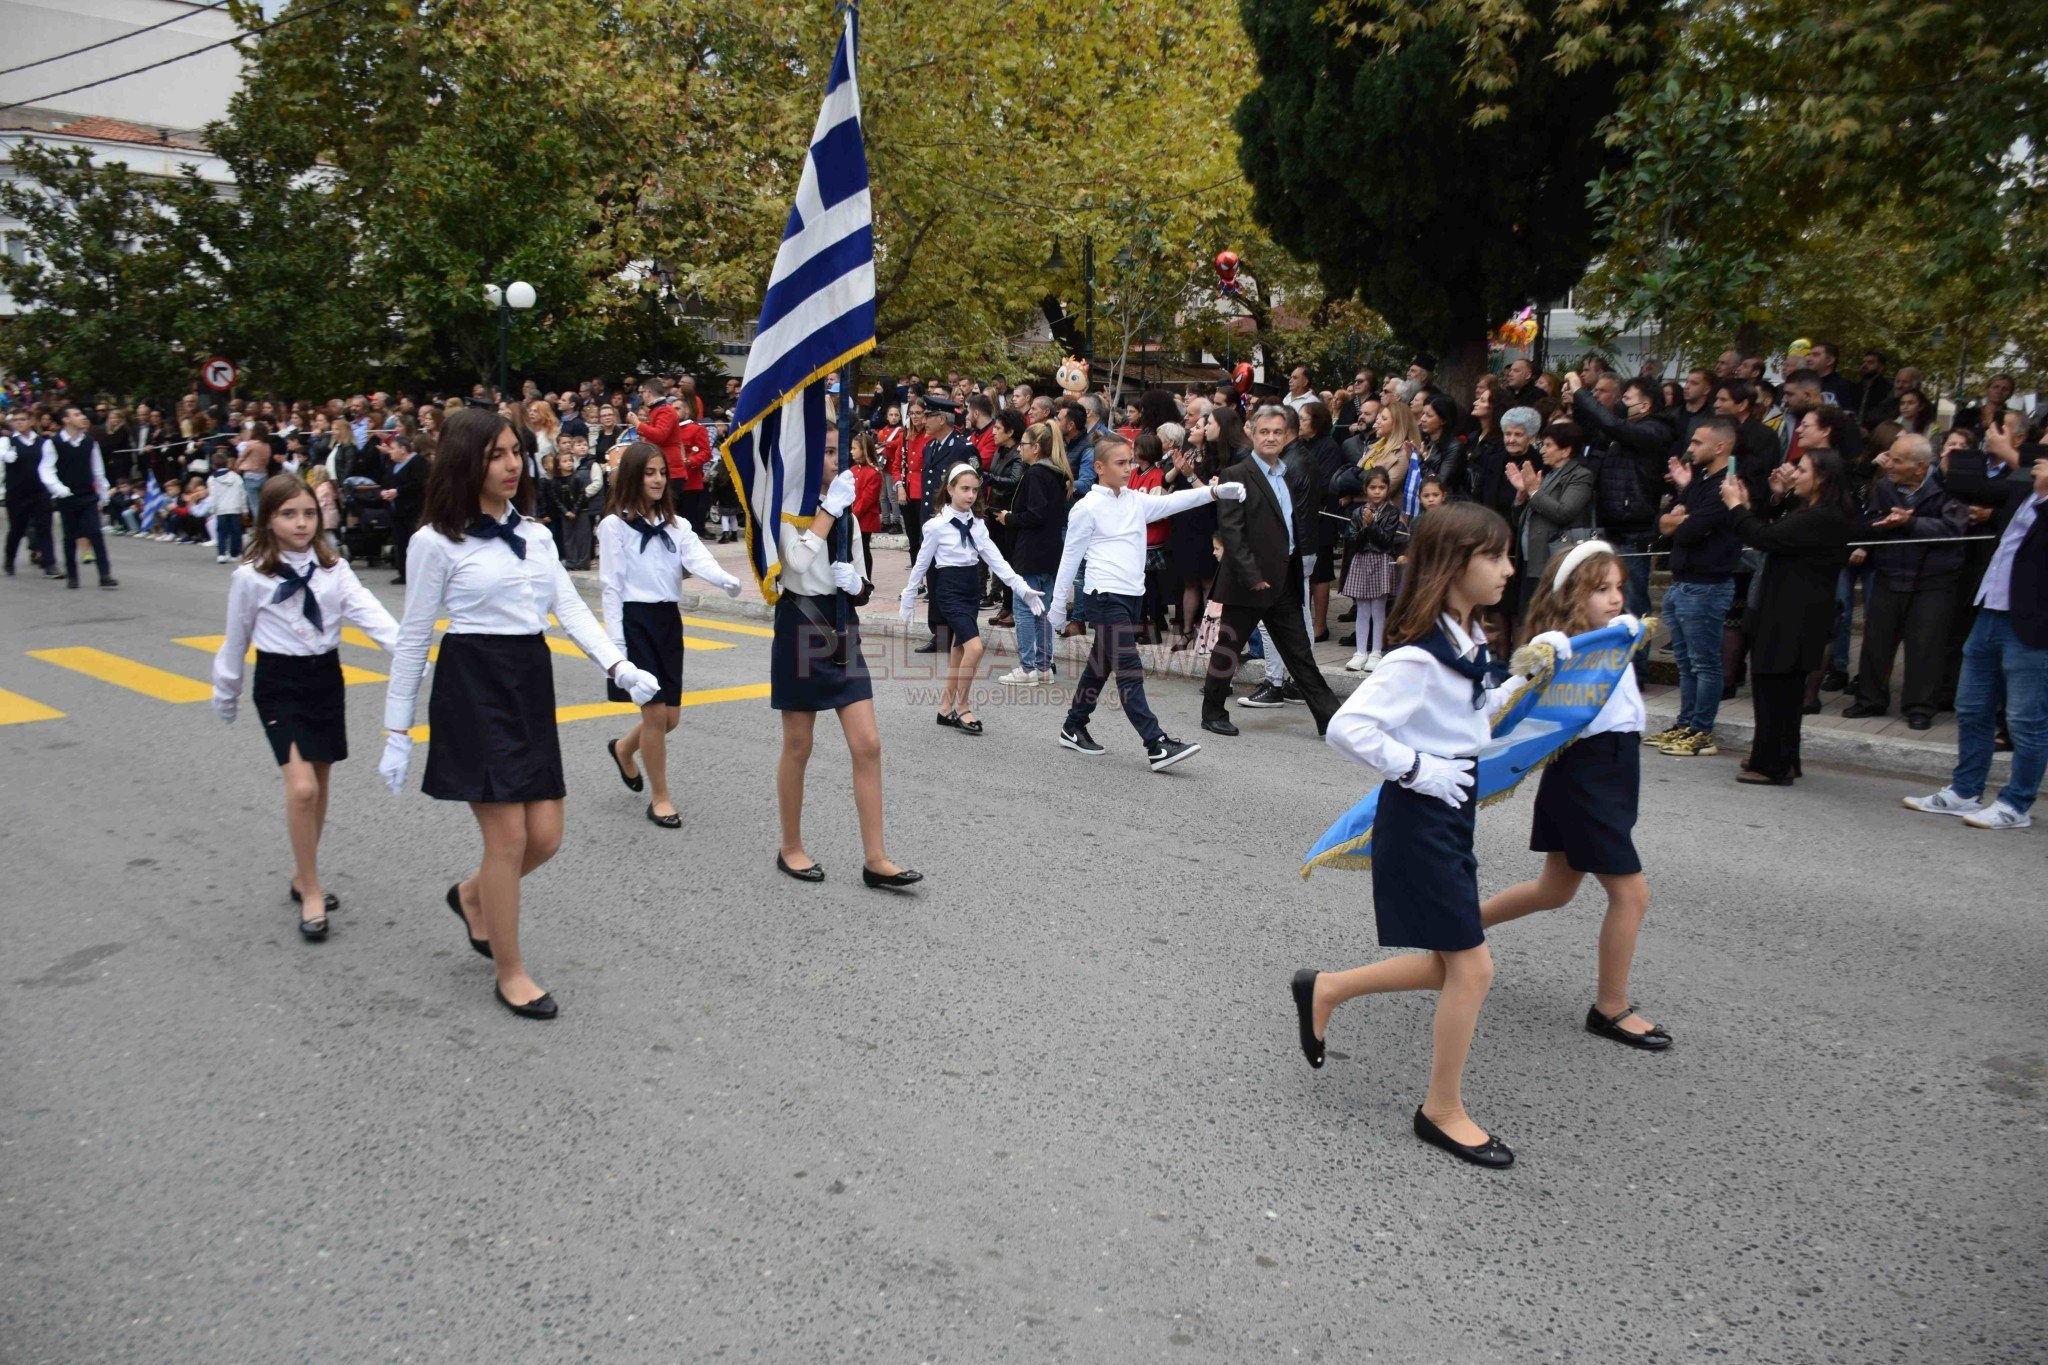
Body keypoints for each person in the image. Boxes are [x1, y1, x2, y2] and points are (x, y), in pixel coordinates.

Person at [1294, 501, 1571, 1168]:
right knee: (1473, 966)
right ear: (1454, 564)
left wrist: (1528, 675)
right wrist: (1417, 768)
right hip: (1421, 821)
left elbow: (1476, 724)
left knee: (1451, 964)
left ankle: (1325, 987)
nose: (1510, 568)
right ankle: (1440, 1109)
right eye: (1496, 555)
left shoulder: (1467, 640)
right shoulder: (1419, 657)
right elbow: (1347, 728)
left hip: (1451, 812)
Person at [377, 408, 662, 1021]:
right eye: (496, 455)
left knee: (546, 838)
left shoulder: (534, 534)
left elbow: (570, 608)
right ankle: (510, 970)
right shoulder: (434, 542)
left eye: (514, 452)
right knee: (506, 839)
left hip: (528, 682)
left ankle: (473, 895)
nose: (511, 465)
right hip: (472, 683)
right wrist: (397, 727)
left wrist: (620, 667)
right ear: (466, 463)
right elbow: (413, 636)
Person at [1478, 541, 1666, 1046]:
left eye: (1619, 589)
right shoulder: (1557, 649)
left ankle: (1459, 929)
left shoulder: (1605, 640)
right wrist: (1543, 660)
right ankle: (1610, 1007)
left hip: (1614, 769)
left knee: (1554, 891)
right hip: (1587, 777)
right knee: (1631, 894)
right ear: (1570, 596)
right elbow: (1513, 704)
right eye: (1601, 589)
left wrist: (1622, 637)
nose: (1615, 599)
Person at [211, 475, 400, 940]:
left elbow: (369, 612)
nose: (300, 523)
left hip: (324, 680)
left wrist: (410, 654)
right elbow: (236, 639)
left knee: (318, 782)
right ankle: (311, 889)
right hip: (279, 683)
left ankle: (302, 872)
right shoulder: (251, 576)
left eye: (309, 513)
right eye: (288, 514)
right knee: (300, 789)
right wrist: (227, 692)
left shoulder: (334, 568)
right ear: (268, 519)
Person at [770, 427, 921, 889]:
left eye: (840, 450)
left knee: (868, 743)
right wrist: (827, 513)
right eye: (827, 450)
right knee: (799, 745)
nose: (837, 459)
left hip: (841, 630)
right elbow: (794, 562)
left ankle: (875, 858)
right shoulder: (783, 508)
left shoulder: (848, 516)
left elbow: (861, 580)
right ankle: (790, 847)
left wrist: (856, 583)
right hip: (800, 628)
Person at [1050, 432, 1239, 771]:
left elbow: (1174, 503)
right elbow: (1069, 557)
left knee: (1100, 666)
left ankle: (1073, 725)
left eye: (1130, 462)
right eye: (1120, 463)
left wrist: (1214, 492)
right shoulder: (1086, 508)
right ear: (1099, 467)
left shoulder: (1135, 501)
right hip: (1104, 596)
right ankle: (1156, 743)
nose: (1128, 468)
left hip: (1131, 596)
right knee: (1129, 669)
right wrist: (1056, 607)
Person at [1904, 429, 2048, 830]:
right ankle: (1965, 790)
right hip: (1990, 611)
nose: (2038, 455)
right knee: (1972, 708)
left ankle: (2016, 804)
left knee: (2026, 720)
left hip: (2033, 625)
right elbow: (1971, 487)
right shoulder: (2026, 490)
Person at [597, 443, 744, 828]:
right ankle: (660, 798)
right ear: (632, 477)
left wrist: (725, 579)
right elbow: (610, 587)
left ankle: (624, 749)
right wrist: (616, 644)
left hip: (667, 622)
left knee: (670, 718)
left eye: (662, 471)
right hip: (634, 622)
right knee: (655, 712)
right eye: (649, 473)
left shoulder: (677, 527)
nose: (658, 479)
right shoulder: (614, 527)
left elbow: (697, 558)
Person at [1200, 406, 1341, 737]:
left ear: (1286, 435)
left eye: (1277, 432)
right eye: (1264, 432)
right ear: (1252, 432)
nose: (1271, 438)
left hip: (1283, 580)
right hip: (1247, 582)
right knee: (1228, 649)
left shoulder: (1287, 472)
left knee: (1299, 652)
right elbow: (1232, 531)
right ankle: (1213, 711)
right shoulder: (1237, 473)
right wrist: (1252, 576)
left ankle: (1330, 718)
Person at [1720, 448, 1857, 784]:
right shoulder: (1811, 511)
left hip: (1794, 616)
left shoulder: (1824, 516)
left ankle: (1772, 765)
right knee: (1776, 688)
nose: (1795, 474)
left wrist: (1736, 505)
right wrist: (1778, 497)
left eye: (1803, 470)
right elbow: (1780, 528)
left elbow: (1764, 537)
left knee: (1777, 689)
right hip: (1786, 611)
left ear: (1822, 478)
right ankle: (1780, 757)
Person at [899, 463, 1045, 733]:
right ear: (950, 489)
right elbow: (921, 563)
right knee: (975, 648)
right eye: (964, 489)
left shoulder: (977, 525)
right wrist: (908, 596)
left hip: (970, 591)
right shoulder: (936, 526)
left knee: (959, 649)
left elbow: (996, 560)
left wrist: (1022, 588)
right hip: (948, 590)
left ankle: (945, 709)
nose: (970, 495)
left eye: (975, 491)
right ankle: (962, 708)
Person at [1841, 433, 1968, 729]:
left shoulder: (1948, 487)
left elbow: (1954, 530)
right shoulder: (1885, 486)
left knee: (1925, 645)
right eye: (1890, 458)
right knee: (1876, 641)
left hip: (1933, 578)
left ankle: (1920, 707)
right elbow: (1870, 520)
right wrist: (1882, 525)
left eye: (1898, 461)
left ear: (1921, 467)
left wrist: (1910, 523)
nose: (1890, 466)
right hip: (1890, 572)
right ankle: (1869, 700)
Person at [1650, 417, 1742, 756]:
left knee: (1705, 663)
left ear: (1720, 447)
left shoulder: (1726, 486)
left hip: (1707, 585)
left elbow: (1688, 530)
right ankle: (1685, 724)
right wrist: (1678, 517)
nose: (1689, 448)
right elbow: (1663, 524)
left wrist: (1680, 521)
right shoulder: (1701, 481)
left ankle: (1702, 730)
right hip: (1681, 582)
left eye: (1697, 443)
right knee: (1686, 664)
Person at [993, 419, 1071, 685]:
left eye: (1024, 445)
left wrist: (1010, 518)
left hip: (1032, 551)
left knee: (1026, 609)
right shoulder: (1057, 473)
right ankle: (1043, 666)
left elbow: (1036, 515)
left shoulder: (1037, 473)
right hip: (1049, 552)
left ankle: (1028, 669)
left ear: (1036, 447)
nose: (1020, 450)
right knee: (1043, 610)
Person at [1503, 420, 1595, 606]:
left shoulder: (1580, 476)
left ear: (1566, 450)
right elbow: (1528, 516)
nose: (1542, 450)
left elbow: (1564, 512)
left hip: (1553, 559)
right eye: (1542, 445)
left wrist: (1534, 492)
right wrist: (1521, 496)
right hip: (1530, 558)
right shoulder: (1548, 474)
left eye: (1548, 445)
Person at [39, 405, 117, 589]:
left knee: (95, 533)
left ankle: (104, 574)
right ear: (66, 420)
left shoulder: (90, 442)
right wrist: (59, 489)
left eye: (81, 413)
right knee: (70, 536)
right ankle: (72, 575)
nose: (82, 416)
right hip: (67, 496)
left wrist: (103, 495)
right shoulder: (54, 443)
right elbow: (46, 469)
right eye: (76, 414)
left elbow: (98, 471)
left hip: (88, 495)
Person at [1337, 467, 1402, 671]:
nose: (1377, 491)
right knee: (1362, 608)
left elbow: (1385, 540)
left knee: (1379, 608)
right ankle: (1360, 652)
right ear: (1365, 489)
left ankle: (1376, 651)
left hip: (1381, 560)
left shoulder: (1392, 513)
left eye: (1381, 487)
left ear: (1387, 489)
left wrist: (1372, 524)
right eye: (1373, 487)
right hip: (1361, 560)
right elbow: (1353, 540)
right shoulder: (1357, 512)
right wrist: (1365, 526)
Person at [4, 408, 58, 577]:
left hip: (40, 492)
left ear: (31, 421)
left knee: (44, 528)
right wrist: (5, 455)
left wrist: (54, 488)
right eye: (15, 420)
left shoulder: (43, 442)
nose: (19, 422)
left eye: (22, 419)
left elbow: (51, 465)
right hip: (17, 494)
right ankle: (9, 559)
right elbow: (1, 452)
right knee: (17, 530)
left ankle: (49, 563)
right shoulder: (7, 441)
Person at [381, 433, 429, 583]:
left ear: (403, 449)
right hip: (396, 510)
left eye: (393, 448)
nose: (390, 452)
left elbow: (419, 484)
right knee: (400, 542)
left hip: (413, 509)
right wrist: (384, 491)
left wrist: (398, 491)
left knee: (413, 541)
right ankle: (404, 572)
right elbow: (386, 481)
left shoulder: (418, 462)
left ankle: (418, 573)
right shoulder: (393, 465)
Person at [208, 457, 249, 563]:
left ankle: (221, 554)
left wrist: (213, 509)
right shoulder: (236, 477)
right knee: (236, 531)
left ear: (214, 465)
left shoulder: (212, 479)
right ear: (227, 464)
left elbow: (213, 496)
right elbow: (242, 493)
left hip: (221, 509)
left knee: (221, 532)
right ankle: (234, 554)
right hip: (235, 507)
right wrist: (244, 508)